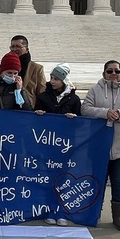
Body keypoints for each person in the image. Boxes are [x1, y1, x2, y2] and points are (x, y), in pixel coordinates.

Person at [82, 60, 120, 231]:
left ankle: (118, 215)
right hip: (99, 145)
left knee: (118, 181)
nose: (113, 74)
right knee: (97, 180)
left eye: (116, 71)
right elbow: (85, 109)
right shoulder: (95, 90)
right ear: (104, 74)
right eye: (109, 71)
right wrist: (104, 113)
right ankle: (94, 212)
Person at [35, 63, 80, 226]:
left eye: (56, 79)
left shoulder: (73, 99)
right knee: (48, 179)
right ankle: (49, 210)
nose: (52, 81)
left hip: (65, 145)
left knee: (63, 179)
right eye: (51, 78)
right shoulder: (43, 97)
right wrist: (39, 115)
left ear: (64, 80)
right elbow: (35, 119)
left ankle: (62, 212)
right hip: (47, 144)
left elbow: (80, 121)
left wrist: (74, 118)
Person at [9, 35, 46, 99]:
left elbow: (42, 91)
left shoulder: (37, 69)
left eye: (18, 46)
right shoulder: (3, 67)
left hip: (28, 106)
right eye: (12, 46)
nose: (14, 49)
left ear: (26, 49)